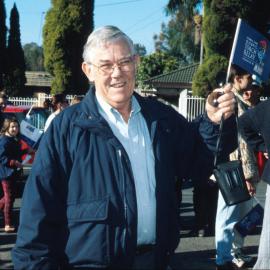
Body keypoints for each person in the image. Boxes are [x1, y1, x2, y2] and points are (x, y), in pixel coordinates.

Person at [12, 25, 236, 270]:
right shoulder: (66, 129)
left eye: (125, 62)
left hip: (156, 261)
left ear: (136, 63)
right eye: (106, 65)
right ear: (88, 71)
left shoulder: (162, 119)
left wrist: (214, 122)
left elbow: (198, 161)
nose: (117, 73)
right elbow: (37, 214)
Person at [215, 65, 260, 270]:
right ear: (237, 78)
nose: (251, 80)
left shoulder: (239, 100)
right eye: (248, 76)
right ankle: (223, 259)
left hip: (235, 166)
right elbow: (241, 142)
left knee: (239, 215)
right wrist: (248, 175)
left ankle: (232, 254)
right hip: (233, 168)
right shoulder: (230, 100)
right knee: (227, 216)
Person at [238, 97, 270, 269]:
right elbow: (242, 124)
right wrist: (262, 147)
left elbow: (243, 123)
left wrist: (262, 147)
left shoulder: (263, 107)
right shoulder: (265, 108)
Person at [0, 118, 32, 232]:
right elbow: (2, 157)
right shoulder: (4, 140)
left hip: (14, 172)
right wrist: (14, 162)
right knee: (9, 199)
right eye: (12, 127)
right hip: (6, 173)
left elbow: (16, 153)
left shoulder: (15, 139)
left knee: (9, 196)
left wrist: (25, 152)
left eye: (17, 127)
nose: (15, 129)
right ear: (7, 127)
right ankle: (7, 224)